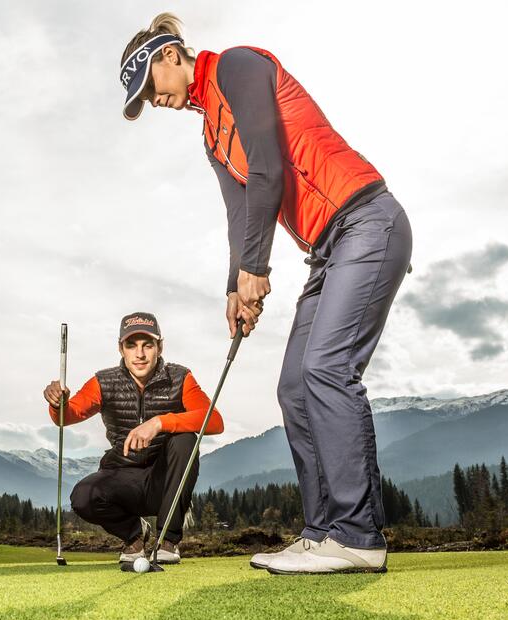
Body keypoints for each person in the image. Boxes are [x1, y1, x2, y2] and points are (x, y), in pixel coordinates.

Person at [118, 14, 413, 575]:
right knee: (295, 386)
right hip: (328, 248)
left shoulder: (238, 66)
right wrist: (236, 286)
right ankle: (323, 531)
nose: (153, 101)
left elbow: (270, 167)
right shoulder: (210, 134)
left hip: (368, 220)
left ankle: (359, 535)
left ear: (168, 57)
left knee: (327, 369)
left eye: (149, 89)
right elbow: (240, 213)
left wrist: (258, 267)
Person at [43, 312, 223, 565]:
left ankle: (167, 541)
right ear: (121, 348)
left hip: (165, 482)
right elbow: (66, 416)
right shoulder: (104, 381)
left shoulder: (180, 378)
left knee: (185, 439)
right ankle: (135, 536)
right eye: (131, 345)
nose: (140, 354)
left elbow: (214, 421)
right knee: (83, 496)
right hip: (122, 478)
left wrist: (159, 423)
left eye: (147, 345)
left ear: (160, 347)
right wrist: (56, 402)